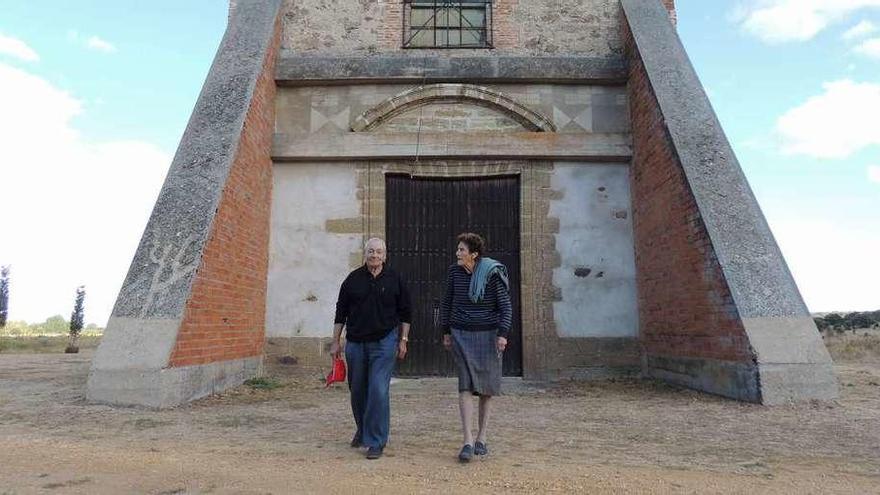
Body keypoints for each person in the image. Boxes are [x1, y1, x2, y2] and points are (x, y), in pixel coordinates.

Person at [331, 237, 411, 460]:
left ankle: (376, 441)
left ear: (385, 255)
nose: (374, 255)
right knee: (357, 390)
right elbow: (340, 313)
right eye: (371, 251)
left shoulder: (396, 279)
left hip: (385, 342)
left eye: (378, 252)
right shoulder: (352, 280)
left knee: (378, 389)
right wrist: (336, 341)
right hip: (356, 343)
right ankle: (363, 429)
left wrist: (403, 340)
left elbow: (406, 312)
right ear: (364, 254)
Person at [440, 232, 512, 463]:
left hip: (489, 335)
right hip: (461, 334)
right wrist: (445, 331)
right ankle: (467, 441)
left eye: (461, 250)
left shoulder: (492, 273)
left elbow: (505, 307)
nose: (457, 253)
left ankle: (482, 438)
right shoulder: (454, 272)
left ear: (474, 254)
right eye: (458, 249)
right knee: (465, 385)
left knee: (486, 389)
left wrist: (502, 334)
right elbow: (447, 302)